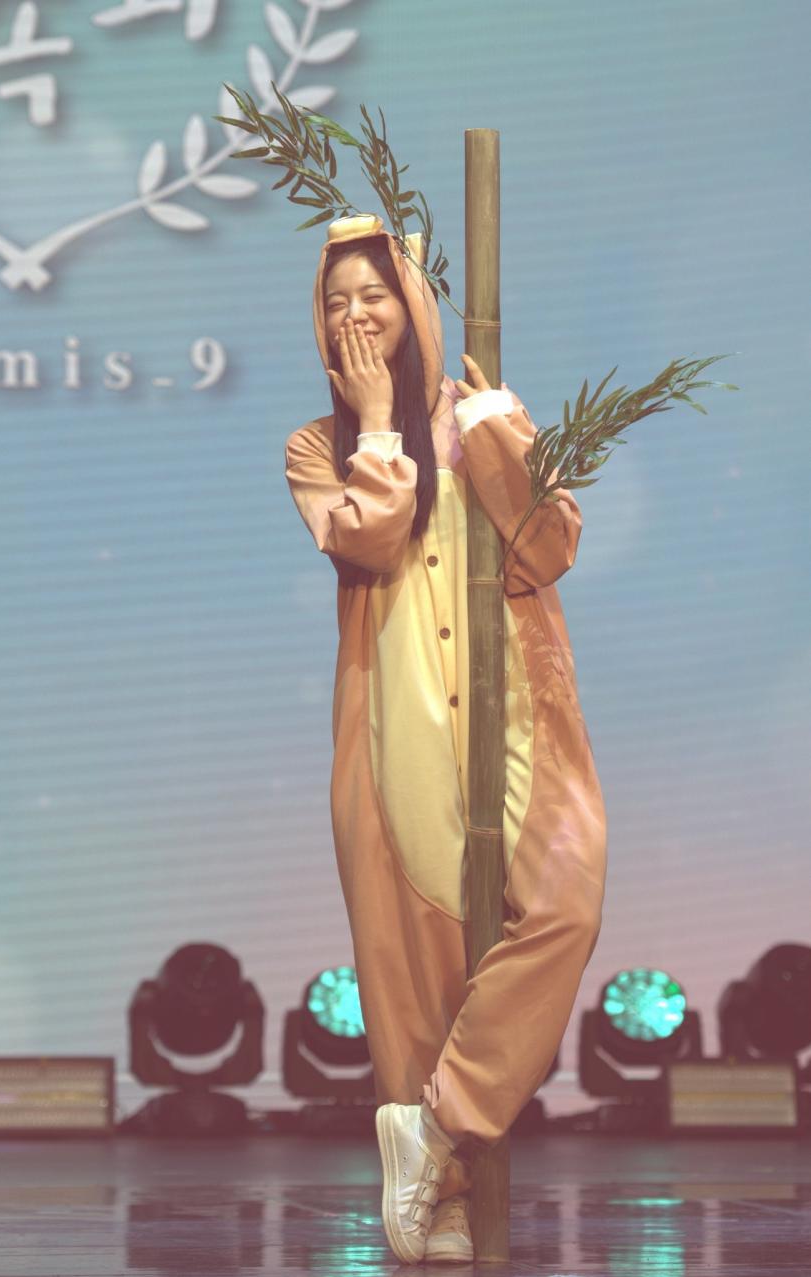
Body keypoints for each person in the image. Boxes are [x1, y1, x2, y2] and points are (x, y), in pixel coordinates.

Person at [285, 213, 607, 1265]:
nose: (355, 314)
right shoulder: (318, 450)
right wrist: (380, 422)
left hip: (519, 712)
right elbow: (370, 543)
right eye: (335, 302)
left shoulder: (486, 412)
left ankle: (436, 1126)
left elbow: (550, 548)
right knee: (415, 975)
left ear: (413, 302)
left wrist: (496, 438)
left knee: (564, 903)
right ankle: (444, 1187)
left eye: (373, 293)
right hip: (398, 727)